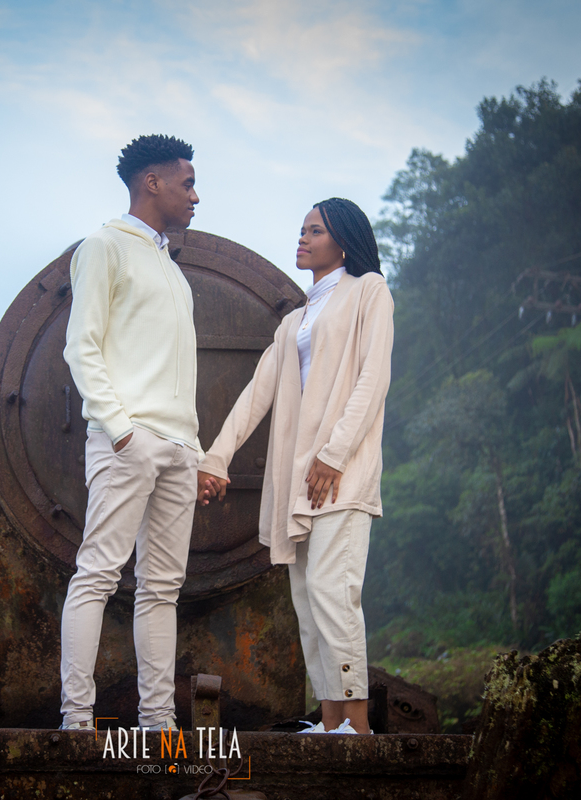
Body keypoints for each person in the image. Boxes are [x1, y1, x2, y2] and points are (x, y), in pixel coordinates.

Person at [197, 197, 393, 735]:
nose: (302, 238)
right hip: (301, 481)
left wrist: (334, 454)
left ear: (344, 242)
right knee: (308, 601)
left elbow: (373, 378)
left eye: (315, 231)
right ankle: (330, 723)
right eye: (302, 230)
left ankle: (357, 724)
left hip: (342, 473)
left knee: (334, 592)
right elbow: (255, 396)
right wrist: (216, 458)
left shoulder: (369, 291)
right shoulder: (294, 322)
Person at [59, 135, 201, 732]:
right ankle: (76, 719)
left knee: (161, 590)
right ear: (153, 182)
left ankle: (158, 723)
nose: (196, 196)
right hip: (129, 441)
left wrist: (191, 447)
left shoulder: (170, 267)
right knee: (97, 574)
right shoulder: (104, 246)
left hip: (178, 448)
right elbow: (81, 346)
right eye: (187, 184)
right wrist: (121, 431)